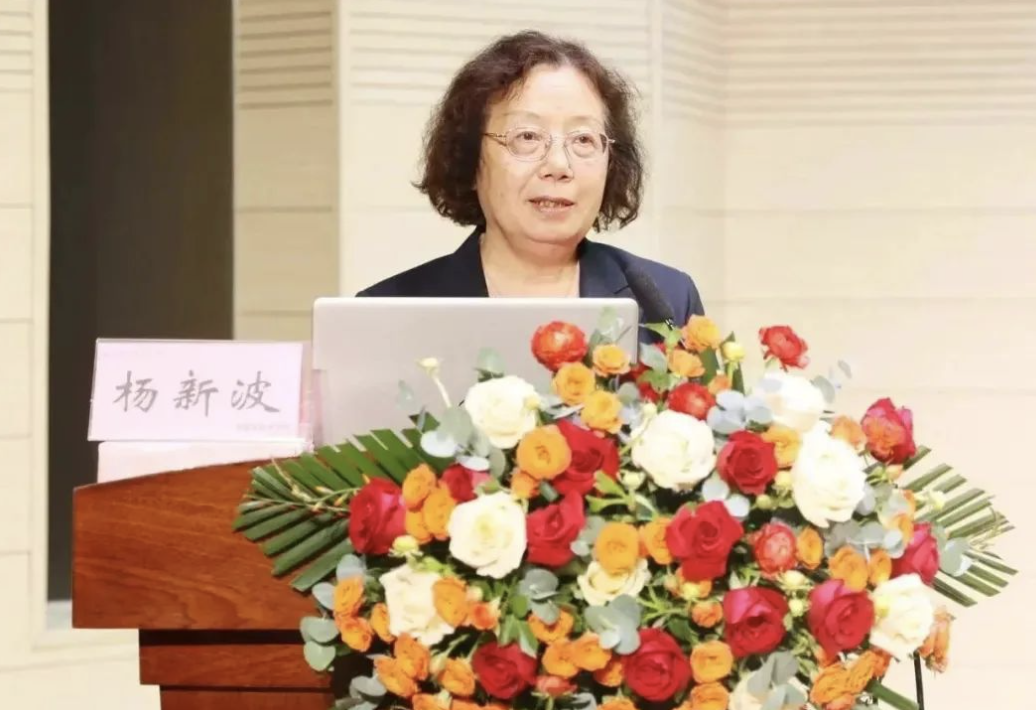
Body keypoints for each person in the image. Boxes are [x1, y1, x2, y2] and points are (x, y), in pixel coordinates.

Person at [357, 30, 704, 336]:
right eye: (527, 136)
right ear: (470, 159)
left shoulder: (666, 300)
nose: (558, 165)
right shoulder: (387, 313)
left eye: (583, 140)